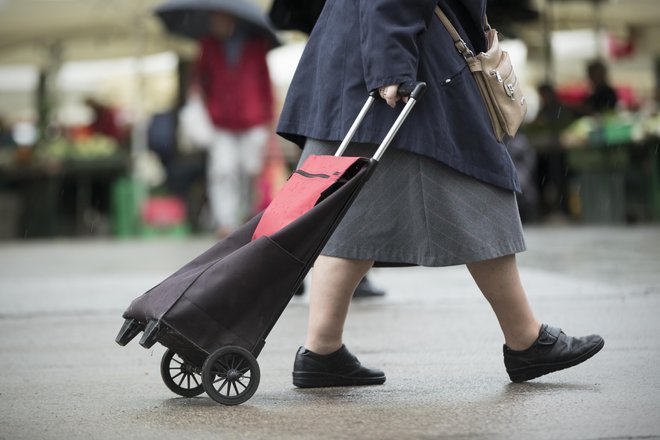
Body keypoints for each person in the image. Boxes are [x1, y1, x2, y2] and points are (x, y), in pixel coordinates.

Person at [276, 0, 604, 388]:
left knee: (351, 209)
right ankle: (526, 339)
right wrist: (390, 65)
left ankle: (322, 349)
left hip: (361, 58)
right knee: (478, 186)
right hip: (405, 59)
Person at [191, 11, 274, 237]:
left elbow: (265, 83)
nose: (214, 22)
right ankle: (225, 222)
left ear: (232, 18)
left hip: (252, 117)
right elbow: (199, 80)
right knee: (223, 171)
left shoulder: (256, 45)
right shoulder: (208, 45)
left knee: (250, 170)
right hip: (221, 120)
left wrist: (269, 120)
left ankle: (247, 213)